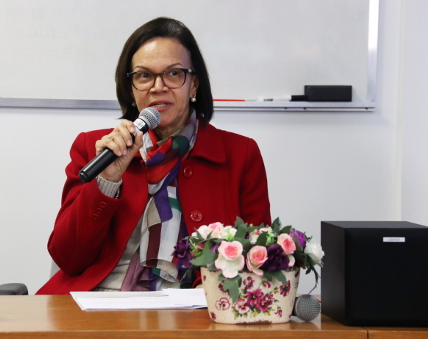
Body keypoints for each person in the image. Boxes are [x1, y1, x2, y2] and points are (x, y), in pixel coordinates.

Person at [36, 17, 271, 295]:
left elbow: (259, 260)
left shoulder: (240, 154)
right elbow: (68, 257)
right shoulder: (95, 147)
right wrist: (107, 180)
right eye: (144, 75)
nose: (158, 86)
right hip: (104, 302)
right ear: (132, 89)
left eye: (173, 74)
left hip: (198, 307)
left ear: (193, 84)